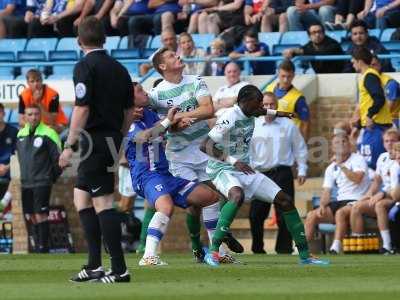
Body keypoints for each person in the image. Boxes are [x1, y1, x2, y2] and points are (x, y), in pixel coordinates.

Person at [200, 84, 329, 266]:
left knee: (285, 200)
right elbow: (205, 145)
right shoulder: (229, 117)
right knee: (237, 195)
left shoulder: (251, 111)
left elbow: (262, 112)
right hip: (222, 169)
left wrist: (281, 114)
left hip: (244, 169)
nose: (261, 106)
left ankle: (305, 256)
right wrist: (233, 161)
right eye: (258, 102)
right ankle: (213, 253)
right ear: (244, 101)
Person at [148, 47, 244, 263]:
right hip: (178, 156)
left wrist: (177, 116)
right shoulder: (156, 95)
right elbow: (155, 125)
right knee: (197, 202)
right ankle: (203, 248)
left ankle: (218, 243)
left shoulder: (195, 80)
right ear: (162, 66)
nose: (178, 56)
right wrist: (172, 126)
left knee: (229, 194)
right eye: (173, 55)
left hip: (204, 149)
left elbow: (208, 109)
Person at [58, 16, 134, 284]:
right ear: (104, 39)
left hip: (94, 141)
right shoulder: (120, 69)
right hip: (111, 138)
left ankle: (120, 268)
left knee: (103, 203)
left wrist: (69, 146)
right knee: (81, 198)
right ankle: (93, 266)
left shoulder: (84, 66)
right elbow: (129, 111)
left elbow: (82, 108)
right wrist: (120, 138)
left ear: (79, 41)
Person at [126, 89, 223, 265]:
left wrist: (177, 122)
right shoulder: (127, 122)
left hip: (165, 175)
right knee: (166, 206)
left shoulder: (148, 114)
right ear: (131, 100)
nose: (145, 92)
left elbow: (165, 127)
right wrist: (169, 120)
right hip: (146, 176)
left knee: (210, 197)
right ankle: (148, 256)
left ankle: (218, 252)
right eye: (140, 90)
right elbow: (144, 136)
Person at [249, 92, 308, 254]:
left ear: (276, 106)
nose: (268, 108)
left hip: (282, 173)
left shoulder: (288, 125)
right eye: (265, 105)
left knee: (285, 214)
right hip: (259, 174)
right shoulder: (253, 125)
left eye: (272, 105)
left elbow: (300, 148)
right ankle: (257, 250)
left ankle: (284, 249)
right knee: (255, 214)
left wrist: (302, 169)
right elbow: (247, 151)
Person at [305, 132, 370, 254]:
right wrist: (322, 206)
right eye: (337, 142)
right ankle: (302, 250)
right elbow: (326, 191)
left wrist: (341, 165)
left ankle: (335, 247)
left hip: (357, 200)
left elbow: (357, 179)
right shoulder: (331, 168)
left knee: (340, 213)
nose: (341, 144)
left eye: (344, 141)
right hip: (340, 200)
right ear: (332, 148)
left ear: (349, 144)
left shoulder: (358, 159)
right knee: (311, 215)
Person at [17, 105, 62, 253]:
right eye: (30, 114)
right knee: (31, 215)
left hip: (42, 181)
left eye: (36, 114)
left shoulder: (49, 133)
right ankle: (36, 247)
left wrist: (51, 177)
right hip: (26, 183)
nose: (33, 117)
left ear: (40, 115)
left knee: (41, 214)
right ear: (24, 116)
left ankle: (43, 248)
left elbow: (59, 160)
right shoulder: (20, 135)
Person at [350, 128, 399, 254]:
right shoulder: (382, 157)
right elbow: (376, 181)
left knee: (379, 205)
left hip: (393, 196)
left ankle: (387, 245)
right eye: (386, 141)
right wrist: (367, 196)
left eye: (392, 141)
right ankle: (359, 246)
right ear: (383, 143)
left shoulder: (398, 159)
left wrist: (381, 194)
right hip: (385, 195)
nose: (389, 143)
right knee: (357, 206)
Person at [352, 46, 392, 171]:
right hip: (372, 125)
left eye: (353, 62)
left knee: (374, 165)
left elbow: (379, 98)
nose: (353, 65)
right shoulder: (366, 76)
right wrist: (358, 125)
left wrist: (370, 115)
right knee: (368, 163)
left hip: (377, 126)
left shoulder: (369, 76)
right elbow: (367, 103)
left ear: (359, 61)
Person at [264, 59, 310, 140]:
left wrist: (303, 145)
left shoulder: (298, 98)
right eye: (283, 76)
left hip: (289, 140)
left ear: (293, 75)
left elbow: (306, 123)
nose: (286, 80)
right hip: (270, 136)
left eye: (289, 76)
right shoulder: (268, 89)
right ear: (278, 74)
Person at [19, 69, 68, 134]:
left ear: (42, 81)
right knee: (22, 130)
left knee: (51, 129)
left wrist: (39, 103)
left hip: (56, 123)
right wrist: (32, 127)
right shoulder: (23, 95)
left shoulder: (53, 94)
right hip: (34, 125)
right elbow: (21, 121)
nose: (35, 84)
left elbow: (52, 121)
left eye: (38, 81)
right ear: (28, 83)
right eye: (32, 81)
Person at [370, 55, 400, 128]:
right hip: (372, 118)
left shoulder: (390, 83)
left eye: (374, 65)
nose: (371, 68)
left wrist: (371, 118)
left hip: (392, 120)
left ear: (379, 65)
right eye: (369, 66)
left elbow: (388, 108)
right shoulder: (365, 82)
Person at [0, 103, 18, 218]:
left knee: (19, 175)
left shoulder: (13, 131)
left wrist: (6, 167)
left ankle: (2, 207)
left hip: (9, 169)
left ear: (4, 114)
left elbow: (18, 155)